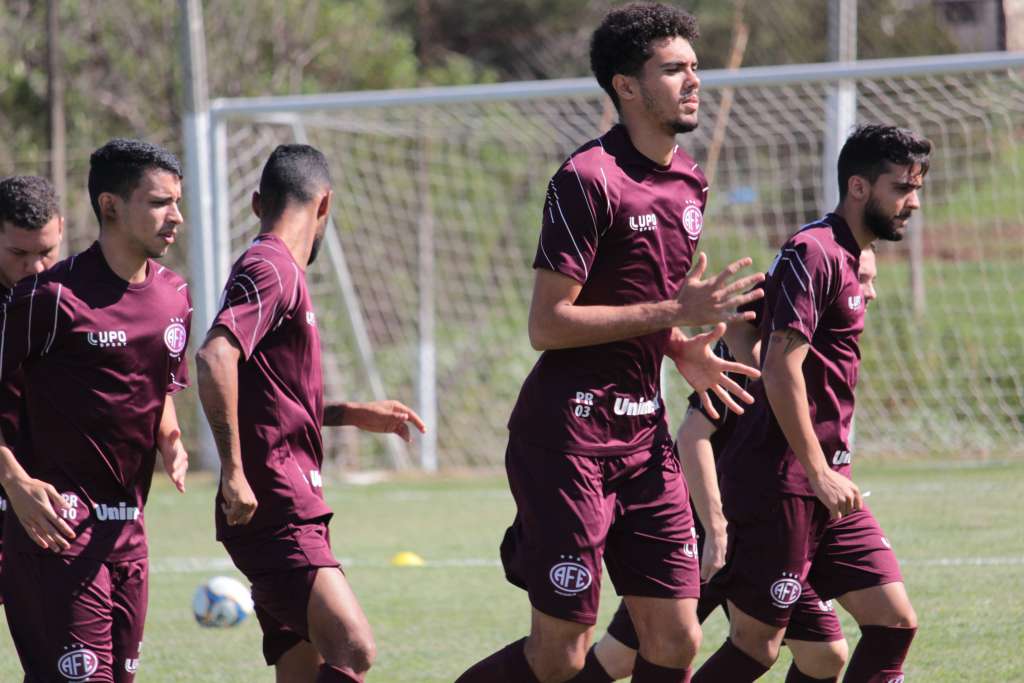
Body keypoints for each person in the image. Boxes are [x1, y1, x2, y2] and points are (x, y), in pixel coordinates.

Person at [454, 4, 766, 682]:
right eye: (674, 69)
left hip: (642, 436)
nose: (694, 82)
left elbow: (641, 305)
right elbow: (550, 322)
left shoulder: (691, 181)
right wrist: (671, 312)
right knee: (561, 652)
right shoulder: (585, 179)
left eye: (694, 67)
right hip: (566, 437)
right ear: (627, 86)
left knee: (677, 636)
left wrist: (679, 345)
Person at [576, 248, 879, 682]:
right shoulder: (748, 350)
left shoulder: (813, 350)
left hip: (773, 527)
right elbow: (692, 435)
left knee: (823, 655)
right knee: (628, 654)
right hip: (712, 527)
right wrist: (714, 528)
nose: (866, 291)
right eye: (861, 278)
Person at [694, 125, 930, 682]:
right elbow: (780, 367)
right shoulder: (814, 251)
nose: (913, 202)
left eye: (916, 188)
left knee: (893, 623)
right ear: (857, 187)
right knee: (756, 646)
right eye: (900, 188)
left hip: (828, 483)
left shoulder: (851, 259)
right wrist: (816, 469)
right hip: (782, 485)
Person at [196, 143, 427, 683]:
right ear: (325, 205)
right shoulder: (272, 265)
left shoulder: (276, 269)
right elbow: (214, 357)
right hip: (276, 505)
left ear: (257, 202)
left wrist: (349, 412)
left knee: (305, 668)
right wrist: (233, 471)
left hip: (288, 501)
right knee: (353, 648)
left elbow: (271, 396)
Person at [0, 140, 191, 682]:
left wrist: (170, 439)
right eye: (159, 202)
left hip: (127, 530)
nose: (175, 216)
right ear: (110, 207)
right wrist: (14, 480)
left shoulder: (176, 297)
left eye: (177, 201)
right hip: (54, 527)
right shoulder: (48, 299)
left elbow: (156, 389)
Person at [0, 175, 65, 606]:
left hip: (47, 498)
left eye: (46, 252)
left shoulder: (70, 295)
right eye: (19, 254)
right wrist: (12, 477)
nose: (36, 267)